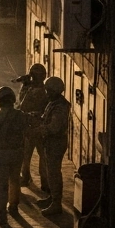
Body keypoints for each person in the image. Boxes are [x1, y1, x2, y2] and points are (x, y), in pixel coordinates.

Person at [0, 86, 26, 225]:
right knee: (14, 180)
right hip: (17, 153)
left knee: (1, 185)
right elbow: (27, 130)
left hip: (2, 154)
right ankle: (14, 206)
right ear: (13, 100)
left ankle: (1, 214)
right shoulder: (21, 115)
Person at [36, 77, 72, 218]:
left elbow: (54, 127)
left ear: (56, 91)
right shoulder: (53, 103)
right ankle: (52, 198)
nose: (47, 93)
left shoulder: (60, 106)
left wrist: (39, 130)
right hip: (50, 142)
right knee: (49, 172)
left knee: (54, 173)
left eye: (49, 90)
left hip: (55, 142)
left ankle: (56, 204)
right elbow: (47, 118)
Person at [15, 63, 51, 189]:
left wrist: (25, 86)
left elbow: (22, 105)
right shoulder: (45, 90)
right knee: (41, 156)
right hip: (38, 128)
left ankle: (27, 178)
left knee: (27, 155)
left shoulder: (35, 91)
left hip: (33, 127)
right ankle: (44, 183)